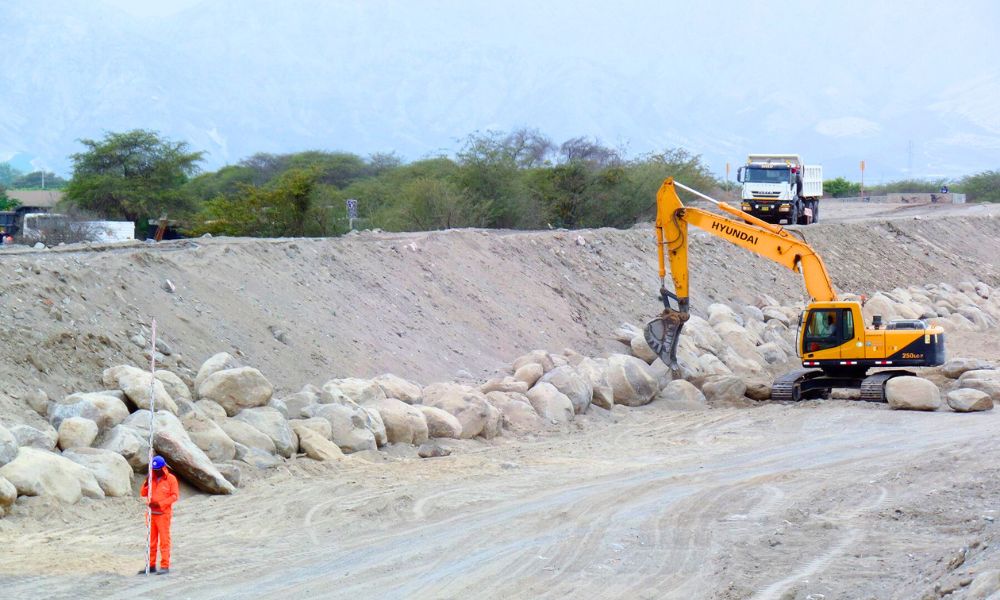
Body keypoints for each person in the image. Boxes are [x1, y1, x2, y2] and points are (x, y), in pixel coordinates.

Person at [139, 455, 179, 575]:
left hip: (163, 515)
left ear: (163, 468)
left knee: (164, 541)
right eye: (154, 470)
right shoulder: (151, 478)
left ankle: (165, 566)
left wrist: (160, 504)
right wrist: (146, 483)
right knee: (151, 541)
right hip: (151, 515)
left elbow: (174, 496)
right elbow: (143, 493)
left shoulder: (171, 479)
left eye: (157, 470)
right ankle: (151, 565)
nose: (156, 472)